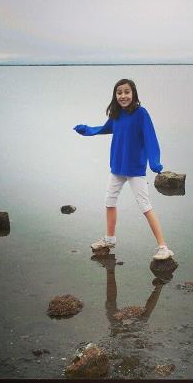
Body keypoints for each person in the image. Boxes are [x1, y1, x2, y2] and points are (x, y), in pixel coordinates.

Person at [73, 78, 173, 260]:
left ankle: (163, 247)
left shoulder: (141, 114)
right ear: (115, 95)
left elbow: (150, 137)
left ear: (133, 94)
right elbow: (104, 128)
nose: (123, 96)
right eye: (119, 92)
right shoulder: (116, 114)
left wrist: (155, 162)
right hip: (117, 167)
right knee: (109, 201)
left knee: (145, 206)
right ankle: (109, 239)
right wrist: (87, 130)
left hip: (135, 169)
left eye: (127, 92)